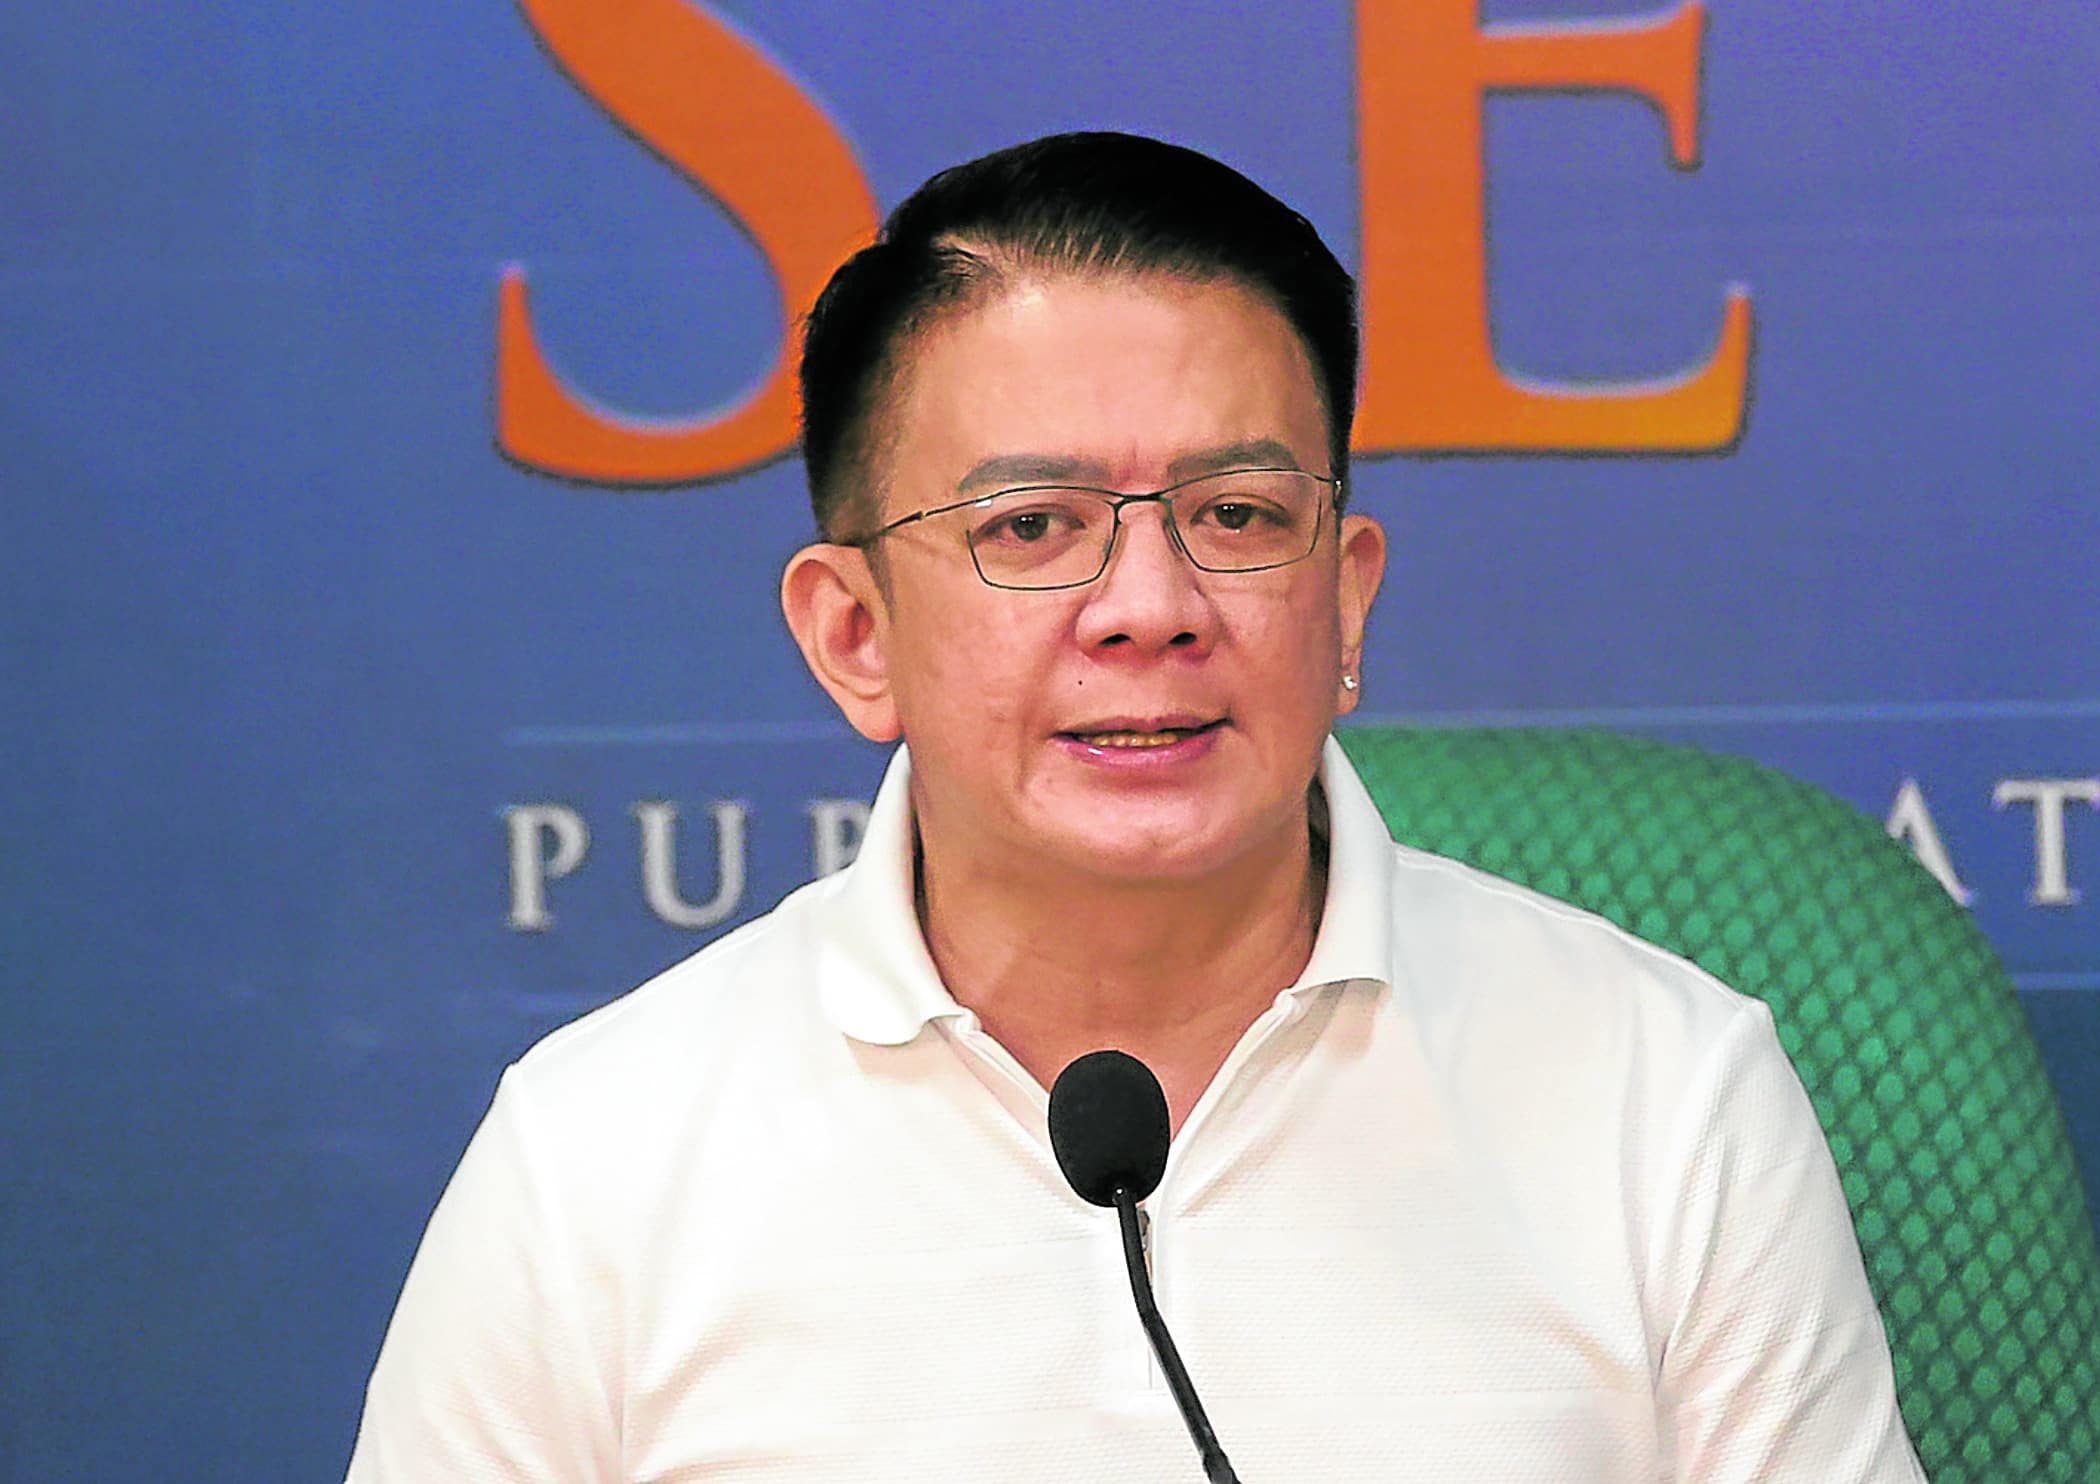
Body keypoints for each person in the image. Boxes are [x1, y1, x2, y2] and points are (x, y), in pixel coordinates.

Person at [346, 132, 1926, 1481]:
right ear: (853, 635)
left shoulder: (1661, 1093)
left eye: (1237, 514)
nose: (1148, 606)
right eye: (1031, 527)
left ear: (1346, 597)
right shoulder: (602, 1155)